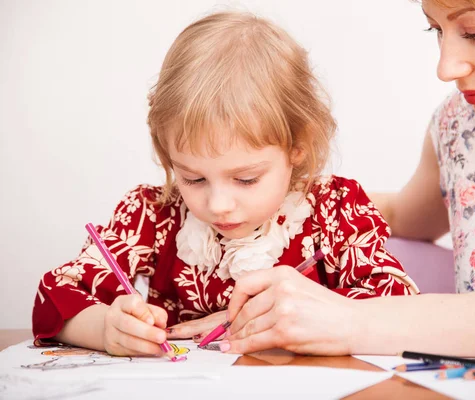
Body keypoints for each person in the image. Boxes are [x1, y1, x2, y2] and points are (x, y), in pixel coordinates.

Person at [219, 0, 475, 356]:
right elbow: (401, 215)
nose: (445, 68)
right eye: (435, 30)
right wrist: (254, 196)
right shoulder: (463, 129)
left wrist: (353, 321)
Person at [31, 11, 419, 357]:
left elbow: (397, 300)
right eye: (193, 177)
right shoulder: (154, 215)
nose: (218, 204)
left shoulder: (335, 211)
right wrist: (104, 328)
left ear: (297, 148)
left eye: (246, 178)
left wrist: (276, 318)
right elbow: (54, 295)